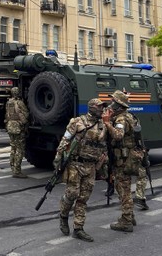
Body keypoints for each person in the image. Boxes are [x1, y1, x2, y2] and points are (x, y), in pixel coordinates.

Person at [54, 98, 107, 242]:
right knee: (72, 193)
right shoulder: (77, 122)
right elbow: (65, 140)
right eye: (100, 107)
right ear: (91, 107)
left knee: (83, 198)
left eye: (103, 107)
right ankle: (63, 215)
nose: (102, 109)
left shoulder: (103, 125)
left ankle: (78, 228)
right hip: (75, 164)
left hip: (91, 167)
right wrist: (58, 158)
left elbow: (103, 146)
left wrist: (104, 165)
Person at [103, 90, 142, 233]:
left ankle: (126, 221)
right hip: (125, 158)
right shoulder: (127, 116)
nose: (111, 105)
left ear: (119, 105)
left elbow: (118, 136)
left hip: (123, 160)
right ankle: (130, 216)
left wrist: (107, 123)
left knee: (123, 189)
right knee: (124, 188)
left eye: (113, 102)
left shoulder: (121, 119)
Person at [4, 87, 29, 178]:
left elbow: (7, 114)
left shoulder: (8, 103)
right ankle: (17, 171)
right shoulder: (20, 103)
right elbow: (26, 114)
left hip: (10, 126)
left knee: (13, 148)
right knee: (20, 149)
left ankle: (12, 167)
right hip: (18, 127)